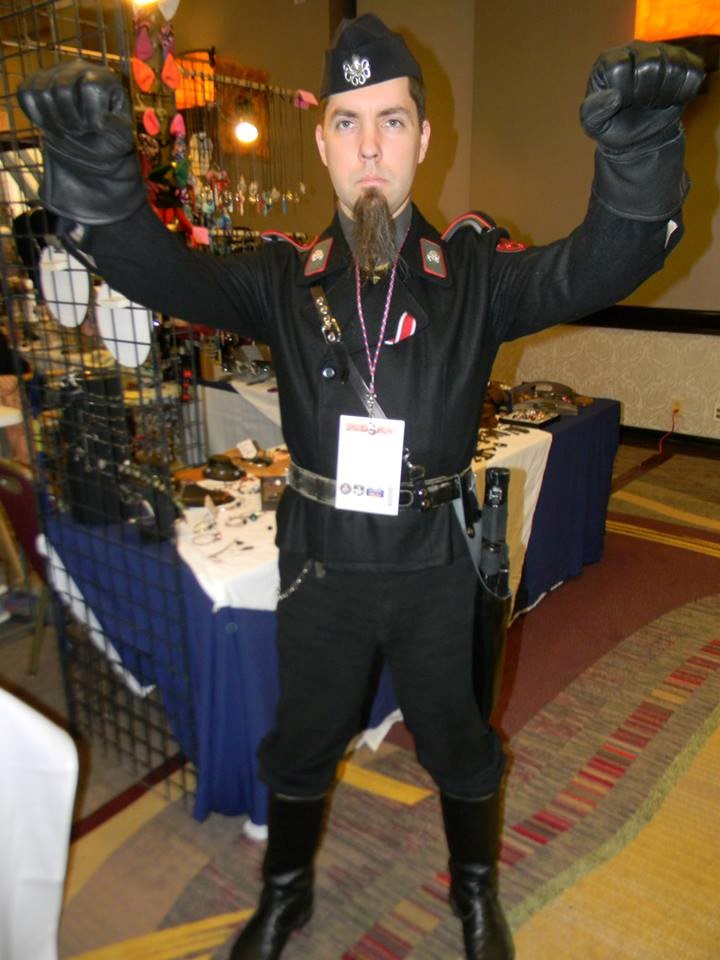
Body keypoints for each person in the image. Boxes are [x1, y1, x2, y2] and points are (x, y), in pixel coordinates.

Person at [17, 14, 704, 960]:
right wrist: (96, 174)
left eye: (391, 121)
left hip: (437, 562)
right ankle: (285, 896)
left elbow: (605, 259)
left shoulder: (476, 275)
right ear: (323, 142)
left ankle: (473, 896)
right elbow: (158, 271)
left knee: (459, 741)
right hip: (320, 566)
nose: (370, 145)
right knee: (301, 740)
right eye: (348, 122)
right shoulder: (278, 277)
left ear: (423, 140)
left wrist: (639, 153)